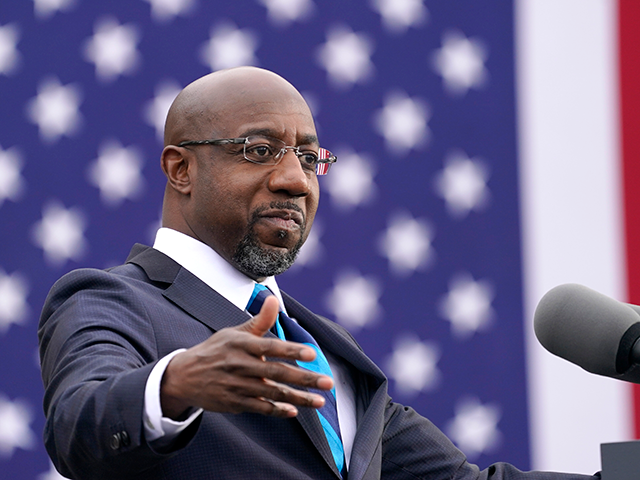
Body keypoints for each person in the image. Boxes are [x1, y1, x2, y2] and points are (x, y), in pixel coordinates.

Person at [38, 66, 600, 480]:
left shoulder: (327, 354)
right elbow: (78, 423)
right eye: (259, 150)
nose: (297, 181)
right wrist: (178, 383)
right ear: (181, 168)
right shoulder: (111, 300)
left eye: (309, 159)